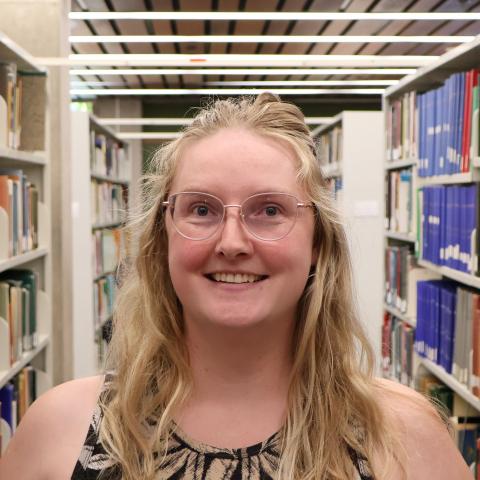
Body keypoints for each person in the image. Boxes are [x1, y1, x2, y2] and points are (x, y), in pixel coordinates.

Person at [0, 93, 473, 480]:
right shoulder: (59, 431)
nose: (231, 243)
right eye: (201, 210)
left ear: (318, 244)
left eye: (270, 210)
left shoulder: (403, 437)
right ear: (161, 239)